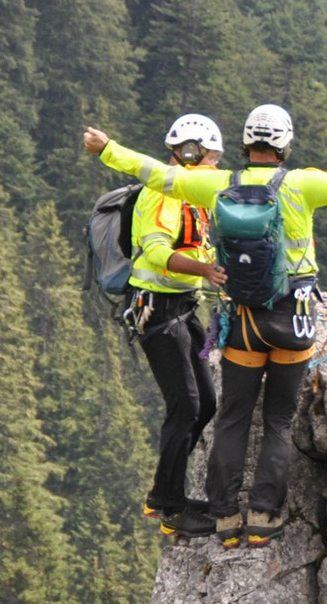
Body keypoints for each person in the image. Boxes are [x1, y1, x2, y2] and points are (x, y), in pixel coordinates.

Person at [84, 104, 327, 547]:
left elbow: (159, 175)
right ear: (285, 144)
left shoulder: (219, 184)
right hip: (292, 317)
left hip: (244, 319)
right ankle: (262, 515)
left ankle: (222, 517)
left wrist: (107, 150)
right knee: (276, 420)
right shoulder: (303, 184)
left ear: (244, 144)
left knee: (233, 417)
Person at [121, 113, 227, 538]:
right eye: (211, 159)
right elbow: (159, 251)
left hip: (182, 309)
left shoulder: (192, 197)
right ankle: (167, 503)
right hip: (158, 312)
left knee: (205, 404)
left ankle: (170, 493)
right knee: (184, 405)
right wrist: (206, 270)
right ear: (189, 154)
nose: (216, 168)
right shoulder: (162, 193)